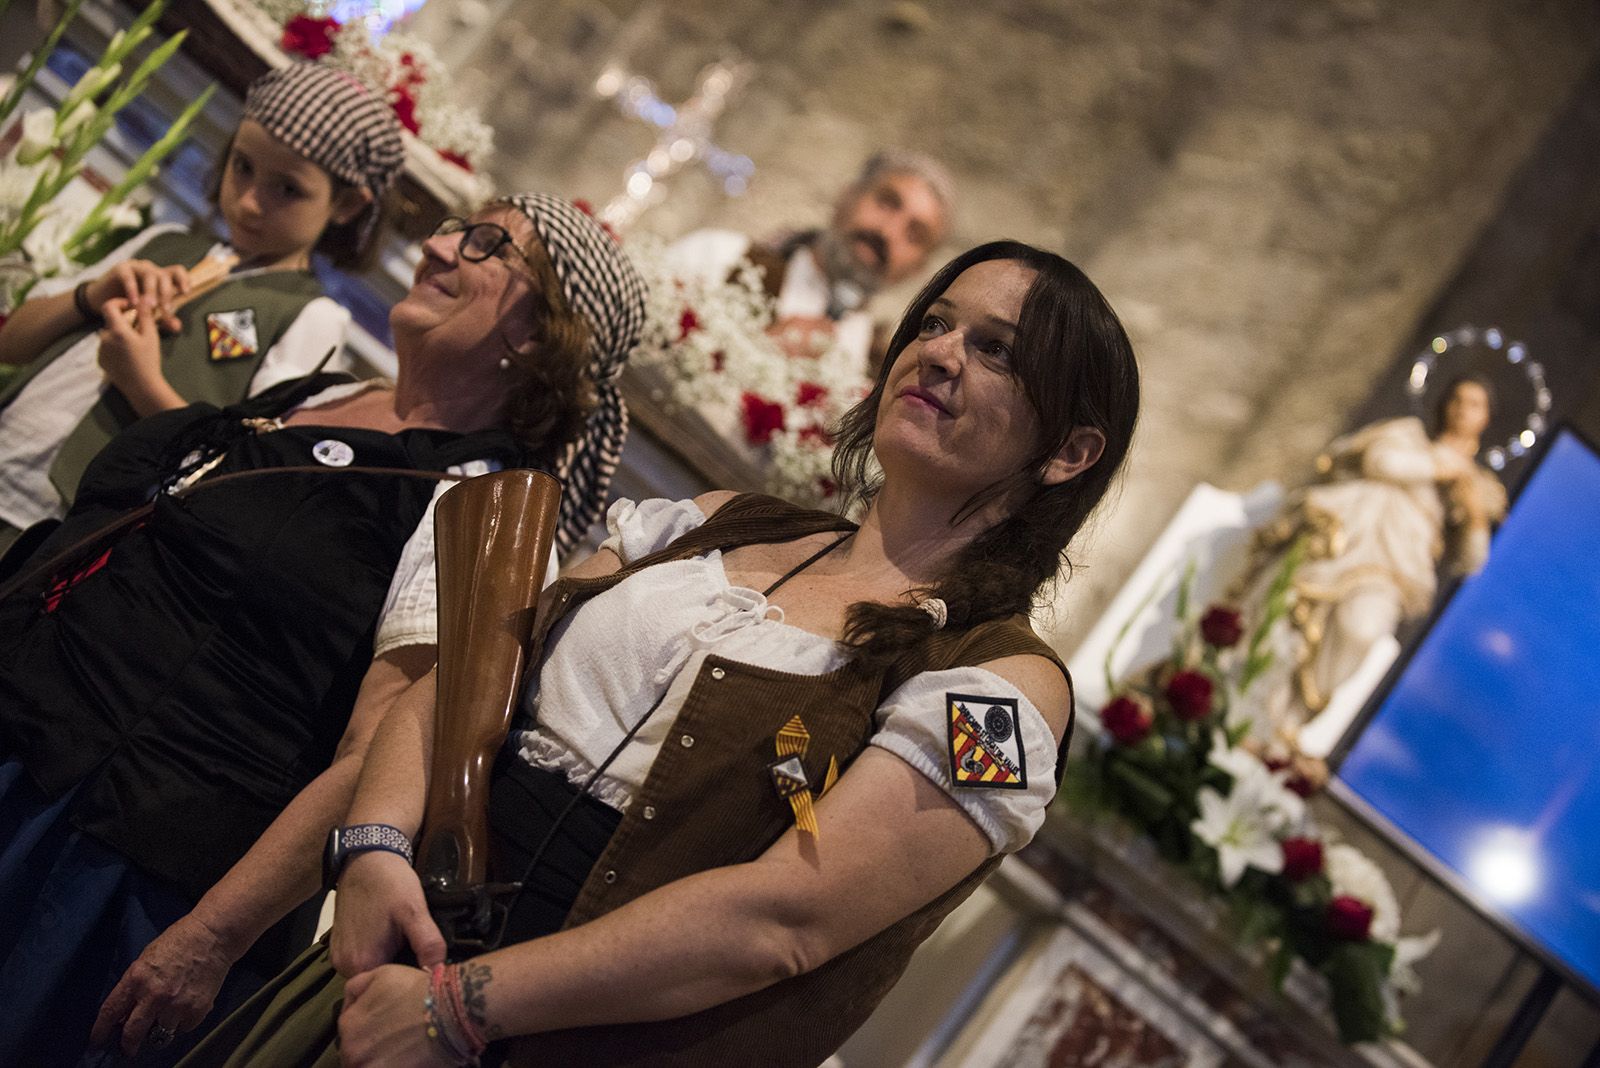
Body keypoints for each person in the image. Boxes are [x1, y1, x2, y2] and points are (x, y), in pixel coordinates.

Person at [184, 238, 1141, 1068]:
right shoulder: (717, 522)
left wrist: (459, 1008)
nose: (938, 353)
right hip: (388, 968)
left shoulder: (999, 697)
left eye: (996, 350)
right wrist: (375, 848)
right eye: (934, 322)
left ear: (1069, 453)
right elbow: (469, 674)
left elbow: (779, 923)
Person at [0, 193, 647, 1066]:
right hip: (31, 754)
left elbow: (376, 757)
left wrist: (212, 936)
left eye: (488, 244)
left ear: (539, 337)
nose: (439, 247)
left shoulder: (481, 513)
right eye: (454, 226)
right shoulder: (330, 392)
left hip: (119, 868)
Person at [0, 62, 405, 558]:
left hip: (57, 533)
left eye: (287, 189)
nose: (249, 202)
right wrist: (90, 295)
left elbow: (244, 471)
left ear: (346, 206)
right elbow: (11, 343)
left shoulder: (311, 317)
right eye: (243, 166)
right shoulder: (164, 243)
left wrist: (140, 382)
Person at [1242, 373, 1507, 742]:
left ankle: (1289, 719)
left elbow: (1472, 560)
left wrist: (1474, 512)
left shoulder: (1476, 486)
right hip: (1346, 539)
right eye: (1457, 400)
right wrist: (1441, 466)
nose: (1463, 410)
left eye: (1474, 405)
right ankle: (1247, 706)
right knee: (1285, 611)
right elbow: (1381, 463)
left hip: (1395, 567)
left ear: (1486, 417)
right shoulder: (1408, 436)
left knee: (1361, 629)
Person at [666, 149, 953, 369]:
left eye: (914, 235)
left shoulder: (879, 379)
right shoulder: (717, 257)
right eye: (886, 203)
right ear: (846, 196)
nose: (888, 232)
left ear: (918, 270)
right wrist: (758, 351)